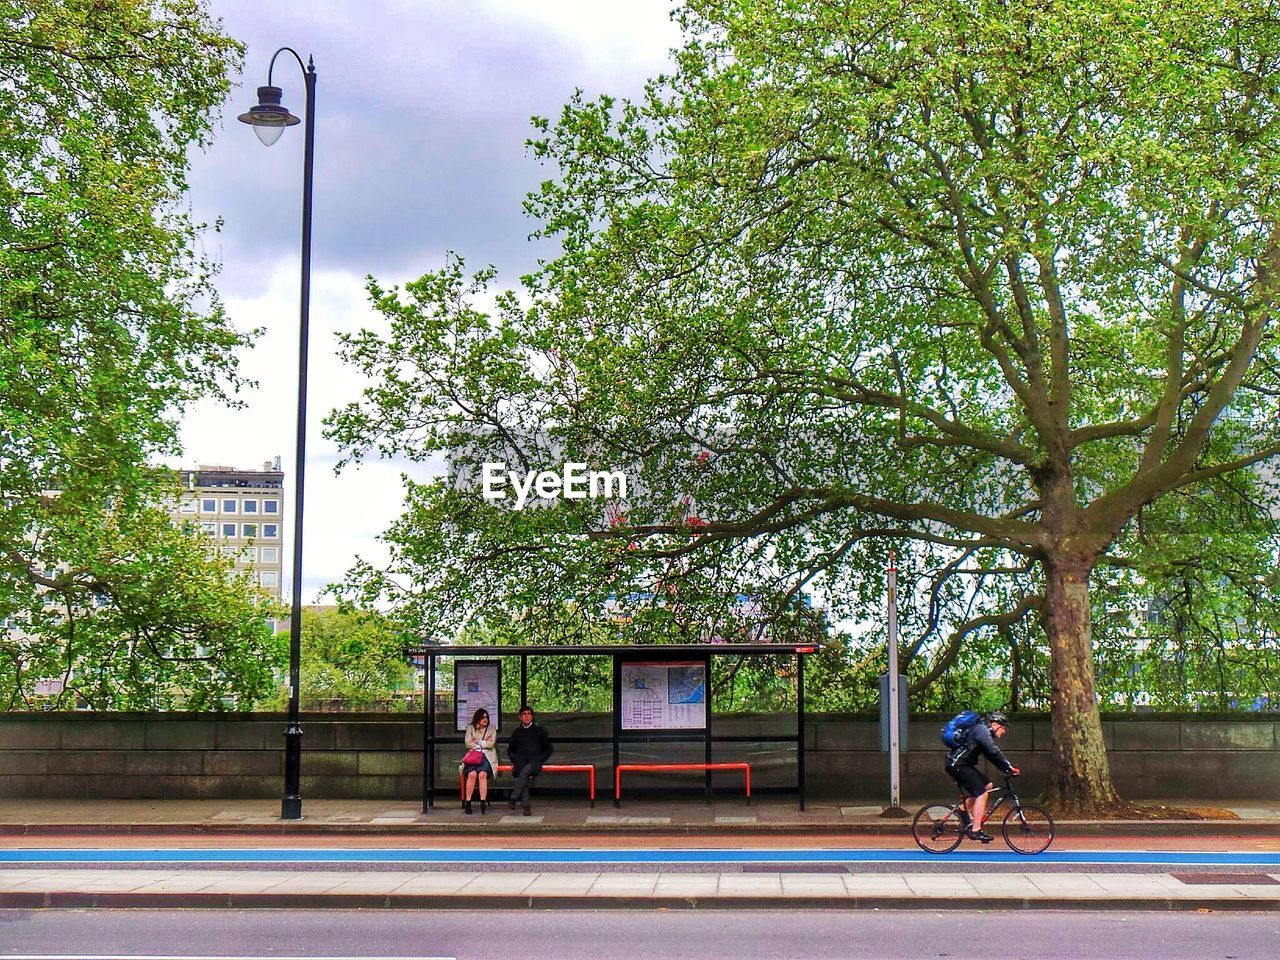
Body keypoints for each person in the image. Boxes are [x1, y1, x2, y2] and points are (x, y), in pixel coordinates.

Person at [943, 710, 1019, 842]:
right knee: (982, 794)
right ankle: (976, 830)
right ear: (995, 724)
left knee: (987, 785)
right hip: (958, 765)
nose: (1004, 732)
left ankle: (962, 810)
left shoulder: (983, 731)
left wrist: (1007, 769)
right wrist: (1008, 767)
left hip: (962, 764)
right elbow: (993, 751)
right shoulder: (981, 730)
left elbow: (991, 756)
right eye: (1004, 728)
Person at [506, 704, 553, 816]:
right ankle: (526, 807)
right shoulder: (516, 732)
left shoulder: (539, 731)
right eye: (524, 714)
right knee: (523, 776)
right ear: (520, 717)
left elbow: (548, 748)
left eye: (529, 714)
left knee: (525, 772)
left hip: (535, 761)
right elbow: (510, 750)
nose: (527, 716)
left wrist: (540, 758)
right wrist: (515, 759)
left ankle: (513, 798)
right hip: (520, 761)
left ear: (532, 717)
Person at [460, 707, 498, 814]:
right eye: (482, 717)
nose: (485, 719)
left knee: (482, 774)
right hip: (473, 757)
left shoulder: (492, 729)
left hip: (486, 757)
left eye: (486, 717)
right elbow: (468, 743)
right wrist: (483, 742)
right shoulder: (470, 728)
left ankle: (482, 801)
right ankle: (468, 802)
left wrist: (477, 742)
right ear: (477, 718)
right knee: (472, 774)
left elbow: (491, 744)